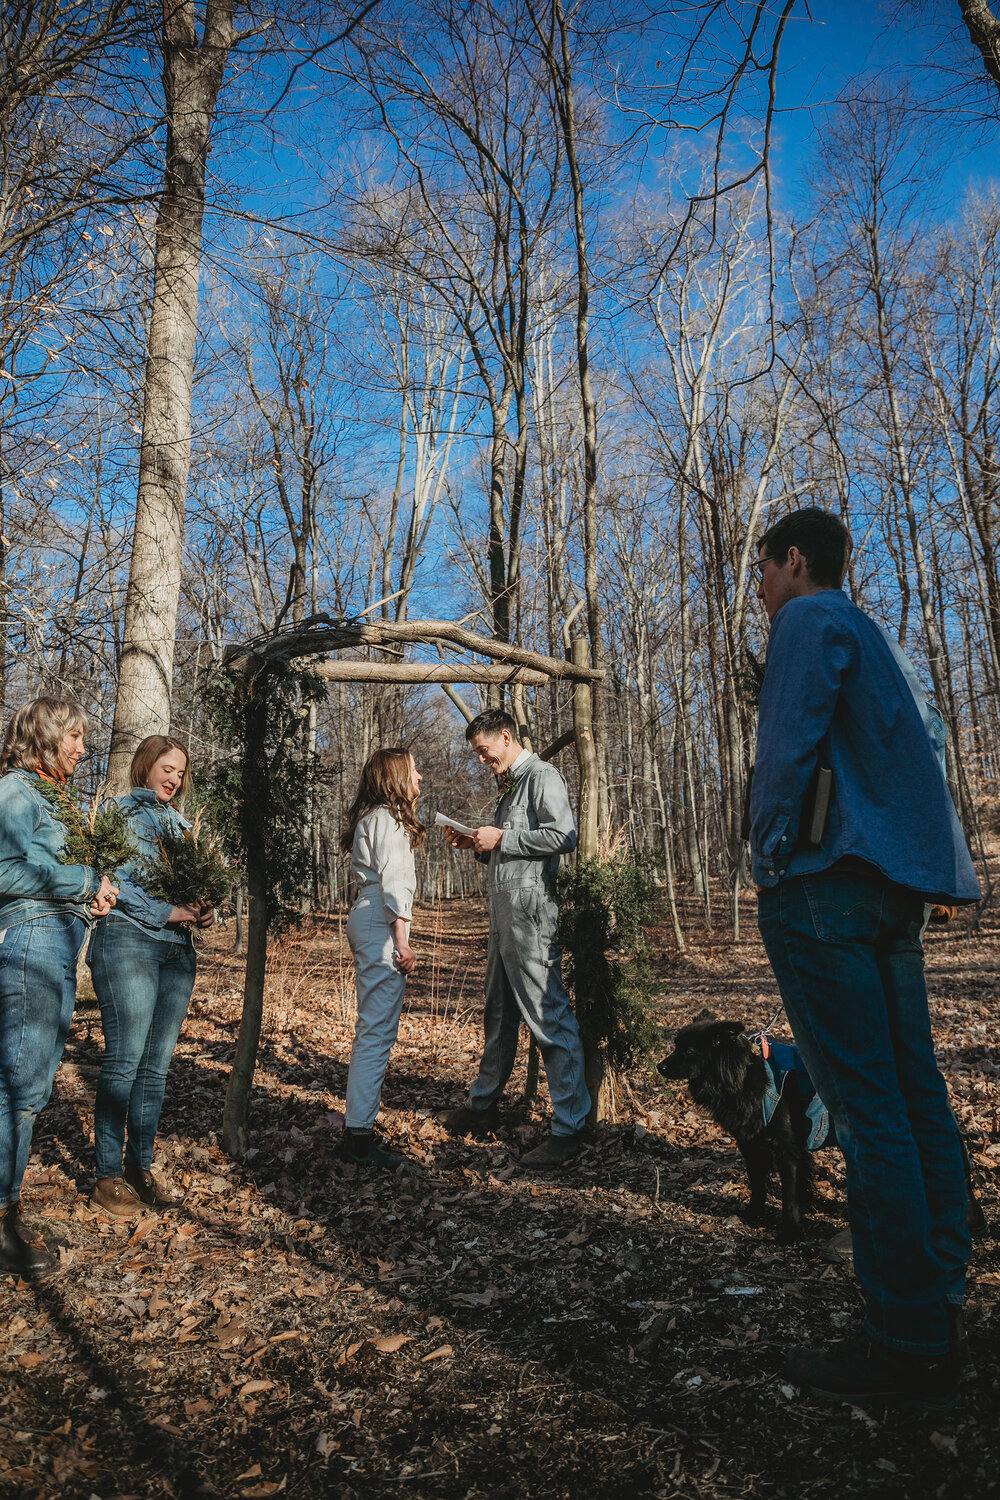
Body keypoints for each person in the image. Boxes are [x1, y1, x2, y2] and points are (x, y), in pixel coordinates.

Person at [748, 507, 980, 1412]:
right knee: (916, 1097)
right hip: (891, 891)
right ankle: (940, 1299)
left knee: (867, 1110)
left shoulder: (808, 620)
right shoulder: (877, 635)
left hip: (826, 885)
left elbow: (789, 745)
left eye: (764, 568)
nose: (761, 588)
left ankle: (907, 1339)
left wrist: (768, 847)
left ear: (796, 560)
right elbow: (925, 747)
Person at [0, 698, 117, 1279]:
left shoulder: (49, 798)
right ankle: (2, 1224)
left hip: (53, 941)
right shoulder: (17, 791)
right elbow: (2, 871)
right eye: (73, 736)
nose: (81, 747)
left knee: (31, 1084)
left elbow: (40, 873)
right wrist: (82, 878)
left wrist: (86, 894)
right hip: (29, 945)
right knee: (19, 1085)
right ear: (44, 738)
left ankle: (8, 1213)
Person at [443, 708, 590, 1168]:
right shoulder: (510, 785)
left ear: (506, 738)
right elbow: (514, 851)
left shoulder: (542, 776)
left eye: (485, 753)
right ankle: (482, 1106)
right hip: (504, 917)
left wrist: (502, 838)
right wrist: (478, 846)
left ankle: (571, 1127)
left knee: (549, 1018)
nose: (484, 761)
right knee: (499, 1015)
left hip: (532, 919)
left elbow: (564, 835)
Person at [87, 735, 214, 1217]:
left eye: (180, 772)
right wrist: (174, 911)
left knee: (156, 1068)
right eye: (166, 767)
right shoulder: (121, 813)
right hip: (128, 942)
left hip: (176, 952)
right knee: (124, 1059)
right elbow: (117, 885)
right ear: (145, 765)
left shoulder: (182, 824)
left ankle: (141, 1168)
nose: (174, 778)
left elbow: (200, 885)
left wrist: (203, 911)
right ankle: (107, 1177)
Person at [340, 748, 423, 1169]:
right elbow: (394, 885)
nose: (420, 778)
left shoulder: (373, 818)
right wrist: (402, 941)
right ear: (395, 778)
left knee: (372, 1029)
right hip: (380, 921)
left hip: (369, 917)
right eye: (413, 771)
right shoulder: (388, 820)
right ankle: (358, 1138)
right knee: (375, 1034)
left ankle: (358, 1130)